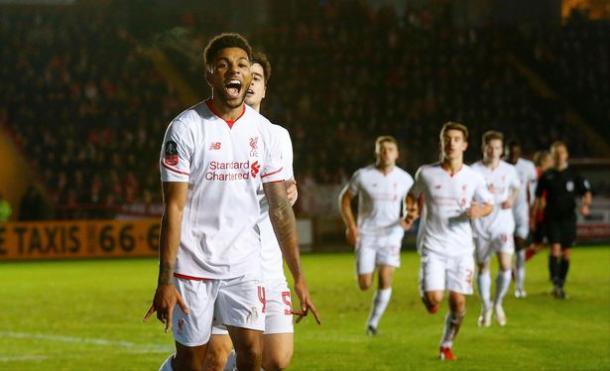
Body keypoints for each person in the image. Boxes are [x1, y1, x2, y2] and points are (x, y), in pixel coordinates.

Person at [144, 33, 318, 371]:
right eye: (222, 65)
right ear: (210, 74)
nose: (233, 71)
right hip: (194, 267)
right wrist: (165, 280)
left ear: (251, 76)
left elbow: (280, 208)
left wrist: (298, 275)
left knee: (255, 354)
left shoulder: (265, 133)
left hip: (244, 267)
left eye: (241, 65)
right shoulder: (185, 128)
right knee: (194, 362)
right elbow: (174, 208)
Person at [203, 51, 311, 371]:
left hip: (267, 262)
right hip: (222, 262)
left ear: (264, 89)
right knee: (214, 358)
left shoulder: (278, 136)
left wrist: (287, 193)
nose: (250, 83)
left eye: (258, 78)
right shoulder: (210, 131)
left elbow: (281, 189)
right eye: (246, 75)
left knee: (275, 359)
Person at [406, 122, 493, 361]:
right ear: (441, 143)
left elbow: (488, 204)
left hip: (462, 249)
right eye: (447, 138)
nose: (451, 143)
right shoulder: (426, 172)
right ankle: (428, 294)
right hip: (433, 246)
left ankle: (446, 344)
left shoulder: (474, 177)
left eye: (456, 139)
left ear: (464, 145)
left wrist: (479, 212)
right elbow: (412, 195)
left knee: (458, 301)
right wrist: (410, 211)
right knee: (434, 298)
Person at [338, 136, 414, 336]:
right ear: (377, 152)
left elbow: (412, 204)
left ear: (397, 154)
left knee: (385, 277)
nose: (386, 153)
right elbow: (344, 199)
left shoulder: (406, 179)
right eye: (382, 149)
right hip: (367, 235)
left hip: (392, 233)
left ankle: (372, 323)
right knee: (365, 284)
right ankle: (372, 317)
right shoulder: (363, 175)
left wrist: (409, 218)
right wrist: (351, 227)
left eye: (390, 149)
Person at [471, 131, 520, 327]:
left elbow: (516, 187)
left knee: (506, 265)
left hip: (503, 224)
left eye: (497, 148)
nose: (493, 151)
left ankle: (498, 303)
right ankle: (485, 306)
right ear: (484, 148)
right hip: (481, 225)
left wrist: (511, 199)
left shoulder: (509, 170)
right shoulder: (474, 170)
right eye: (490, 147)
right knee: (483, 267)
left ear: (502, 150)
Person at [533, 141, 592, 299]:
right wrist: (535, 219)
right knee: (555, 249)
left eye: (562, 153)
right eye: (556, 153)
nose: (559, 156)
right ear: (552, 156)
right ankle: (555, 282)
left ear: (567, 155)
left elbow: (586, 193)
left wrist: (585, 206)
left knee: (566, 253)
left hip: (569, 219)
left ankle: (560, 283)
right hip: (552, 218)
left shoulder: (574, 175)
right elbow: (538, 198)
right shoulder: (547, 175)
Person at [505, 140, 537, 298]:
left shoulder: (528, 167)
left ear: (519, 152)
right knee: (507, 251)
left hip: (521, 214)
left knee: (520, 249)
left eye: (515, 151)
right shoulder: (501, 167)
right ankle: (510, 271)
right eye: (510, 152)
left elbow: (532, 191)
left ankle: (519, 287)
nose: (513, 154)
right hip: (503, 215)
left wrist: (531, 211)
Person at [525, 150, 553, 261]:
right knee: (540, 243)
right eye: (550, 160)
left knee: (542, 243)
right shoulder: (541, 175)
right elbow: (536, 196)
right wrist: (533, 215)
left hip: (536, 212)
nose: (552, 162)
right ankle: (516, 265)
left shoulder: (533, 173)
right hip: (539, 214)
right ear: (544, 161)